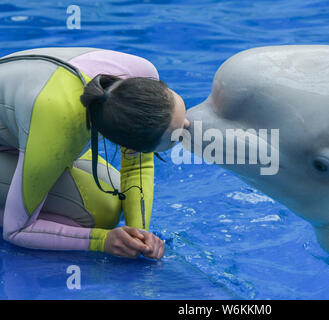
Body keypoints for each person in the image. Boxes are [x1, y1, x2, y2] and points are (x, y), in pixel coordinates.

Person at [0, 47, 189, 259]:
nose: (189, 125)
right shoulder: (60, 128)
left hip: (30, 128)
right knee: (99, 214)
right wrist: (102, 241)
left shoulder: (142, 77)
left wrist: (139, 236)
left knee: (114, 193)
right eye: (178, 135)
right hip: (45, 126)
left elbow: (138, 165)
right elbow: (16, 230)